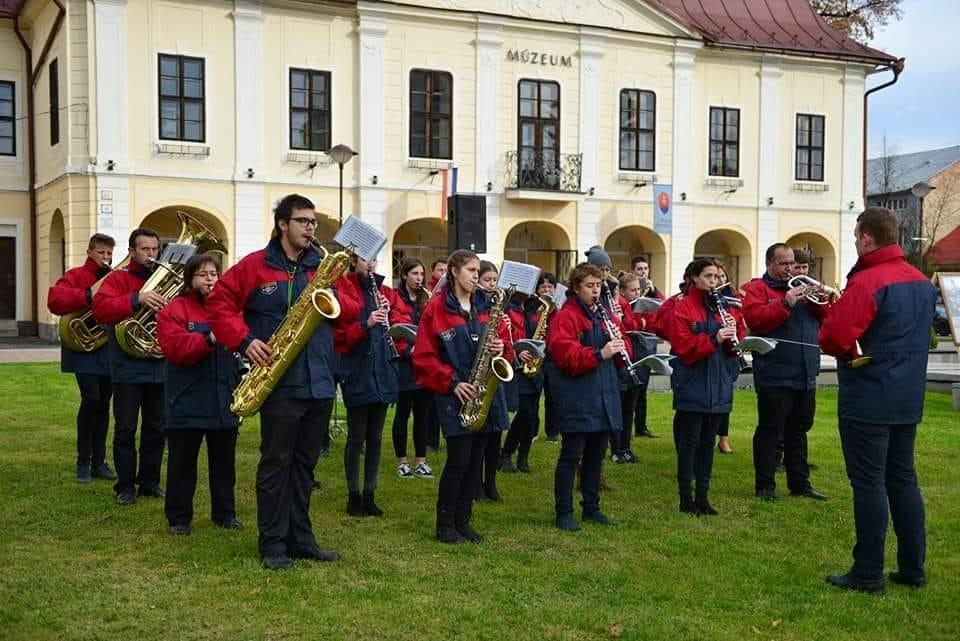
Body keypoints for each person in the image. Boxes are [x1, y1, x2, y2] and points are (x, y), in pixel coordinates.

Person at [207, 194, 360, 570]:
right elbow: (219, 305)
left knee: (305, 467)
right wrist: (245, 341)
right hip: (278, 381)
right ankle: (272, 543)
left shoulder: (323, 266)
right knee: (277, 464)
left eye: (313, 223)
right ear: (282, 224)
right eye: (303, 221)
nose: (311, 228)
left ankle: (300, 538)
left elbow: (354, 311)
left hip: (320, 382)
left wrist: (338, 289)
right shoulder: (254, 266)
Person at [820, 207, 936, 593]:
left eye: (856, 237)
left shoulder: (870, 280)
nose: (855, 242)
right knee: (903, 479)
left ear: (867, 237)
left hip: (869, 394)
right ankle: (912, 567)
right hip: (907, 395)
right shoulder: (920, 281)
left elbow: (835, 335)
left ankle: (867, 571)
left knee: (869, 483)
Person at [412, 249, 512, 544]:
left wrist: (500, 348)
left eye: (478, 271)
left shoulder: (485, 306)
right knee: (459, 459)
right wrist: (452, 383)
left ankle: (463, 520)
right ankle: (444, 523)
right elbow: (424, 357)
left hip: (483, 391)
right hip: (453, 393)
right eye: (470, 270)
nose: (476, 277)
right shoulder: (436, 309)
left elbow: (503, 339)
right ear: (454, 272)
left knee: (475, 460)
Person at [156, 253, 242, 535]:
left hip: (223, 398)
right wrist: (209, 338)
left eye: (214, 274)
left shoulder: (230, 308)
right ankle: (179, 519)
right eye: (203, 275)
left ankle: (225, 514)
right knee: (182, 464)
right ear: (190, 279)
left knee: (224, 464)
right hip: (187, 398)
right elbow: (175, 347)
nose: (210, 280)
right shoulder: (175, 309)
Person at [546, 262, 630, 531]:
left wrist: (620, 345)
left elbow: (624, 343)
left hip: (603, 394)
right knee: (571, 455)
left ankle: (591, 508)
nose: (596, 291)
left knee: (596, 455)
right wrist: (599, 353)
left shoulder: (603, 314)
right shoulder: (566, 316)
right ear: (576, 288)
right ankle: (563, 511)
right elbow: (565, 355)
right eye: (590, 286)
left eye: (598, 286)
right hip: (578, 396)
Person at [741, 244, 829, 503]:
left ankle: (799, 483)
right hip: (775, 372)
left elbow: (826, 315)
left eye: (792, 263)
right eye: (783, 263)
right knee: (770, 430)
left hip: (804, 371)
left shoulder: (803, 286)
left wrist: (821, 297)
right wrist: (785, 302)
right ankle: (765, 485)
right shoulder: (757, 288)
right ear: (769, 263)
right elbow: (755, 320)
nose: (790, 268)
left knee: (798, 430)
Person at [92, 228, 168, 506]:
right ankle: (125, 486)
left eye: (154, 249)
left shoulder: (167, 279)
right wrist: (137, 299)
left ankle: (150, 482)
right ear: (132, 252)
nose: (150, 255)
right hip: (126, 366)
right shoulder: (118, 278)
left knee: (157, 428)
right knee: (125, 428)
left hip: (158, 364)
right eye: (144, 249)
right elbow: (100, 310)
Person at [663, 258, 744, 516]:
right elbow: (684, 347)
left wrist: (734, 340)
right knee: (689, 443)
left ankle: (703, 497)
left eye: (717, 277)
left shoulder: (724, 307)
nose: (714, 281)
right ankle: (685, 497)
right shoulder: (683, 307)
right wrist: (714, 338)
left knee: (708, 442)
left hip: (719, 382)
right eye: (708, 276)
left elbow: (734, 347)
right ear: (695, 279)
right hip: (692, 382)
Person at [335, 253, 410, 517]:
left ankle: (370, 493)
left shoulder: (386, 291)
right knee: (357, 437)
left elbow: (403, 325)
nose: (371, 264)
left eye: (374, 259)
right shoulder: (344, 287)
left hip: (383, 369)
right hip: (358, 369)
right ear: (354, 261)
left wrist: (392, 318)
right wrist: (366, 323)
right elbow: (340, 334)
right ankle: (353, 495)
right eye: (365, 259)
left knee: (376, 437)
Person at [47, 233, 118, 484]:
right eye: (101, 253)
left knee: (104, 403)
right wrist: (89, 293)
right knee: (91, 399)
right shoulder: (75, 275)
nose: (106, 258)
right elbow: (55, 300)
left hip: (106, 348)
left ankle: (99, 462)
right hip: (82, 348)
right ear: (89, 252)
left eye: (109, 253)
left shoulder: (116, 277)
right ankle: (83, 462)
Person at [501, 272, 557, 473]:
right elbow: (510, 334)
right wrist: (518, 350)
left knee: (532, 415)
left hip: (537, 364)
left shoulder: (542, 308)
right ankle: (506, 454)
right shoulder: (513, 307)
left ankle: (523, 458)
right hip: (519, 366)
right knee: (525, 413)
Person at [391, 258, 434, 479]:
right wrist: (410, 348)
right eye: (415, 274)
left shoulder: (426, 298)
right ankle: (402, 461)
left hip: (424, 366)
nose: (419, 278)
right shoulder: (396, 298)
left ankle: (421, 461)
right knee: (403, 414)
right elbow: (397, 328)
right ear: (405, 275)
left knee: (422, 415)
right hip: (406, 364)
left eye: (421, 274)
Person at [474, 261, 512, 501]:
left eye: (494, 280)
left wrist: (504, 341)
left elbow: (510, 352)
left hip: (494, 381)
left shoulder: (497, 309)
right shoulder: (474, 308)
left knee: (495, 435)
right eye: (487, 280)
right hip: (477, 376)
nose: (491, 285)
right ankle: (476, 483)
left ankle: (491, 482)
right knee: (478, 440)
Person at [714, 264, 736, 455]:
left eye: (722, 276)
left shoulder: (733, 298)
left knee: (726, 397)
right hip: (714, 350)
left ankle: (723, 438)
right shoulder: (712, 299)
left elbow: (741, 320)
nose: (720, 280)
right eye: (716, 276)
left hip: (729, 353)